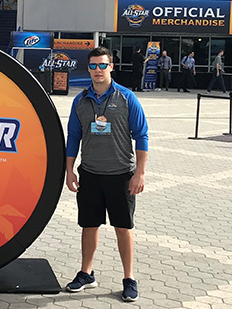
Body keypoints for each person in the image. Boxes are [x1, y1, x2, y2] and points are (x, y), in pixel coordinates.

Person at [65, 47, 148, 302]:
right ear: (87, 68)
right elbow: (74, 137)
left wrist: (139, 174)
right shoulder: (80, 100)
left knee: (123, 227)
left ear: (111, 66)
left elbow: (142, 135)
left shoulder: (127, 97)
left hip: (121, 174)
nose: (97, 70)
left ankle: (129, 278)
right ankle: (86, 273)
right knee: (89, 225)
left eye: (102, 65)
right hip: (90, 174)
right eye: (93, 66)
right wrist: (69, 171)